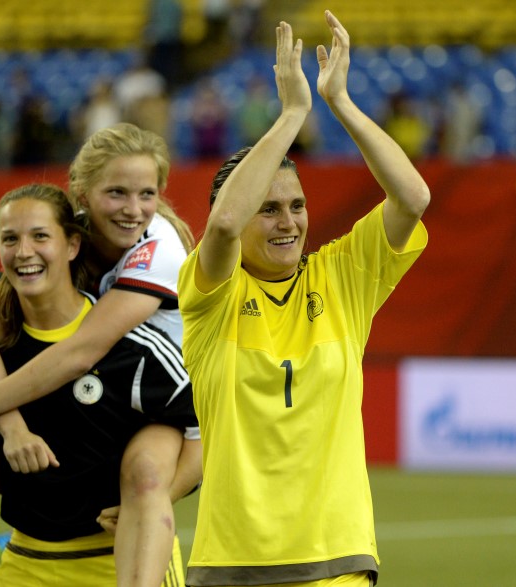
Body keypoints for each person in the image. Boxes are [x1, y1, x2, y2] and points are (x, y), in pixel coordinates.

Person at [177, 11, 429, 586]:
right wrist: (292, 114)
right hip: (232, 565)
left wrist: (338, 101)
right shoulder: (211, 294)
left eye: (296, 205)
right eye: (268, 209)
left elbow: (412, 196)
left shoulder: (341, 277)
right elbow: (221, 227)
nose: (288, 221)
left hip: (336, 558)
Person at [0, 122, 201, 587]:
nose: (135, 211)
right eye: (117, 193)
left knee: (146, 477)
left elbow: (82, 350)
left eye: (147, 194)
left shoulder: (160, 247)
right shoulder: (50, 237)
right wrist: (8, 434)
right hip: (84, 405)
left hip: (168, 413)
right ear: (82, 194)